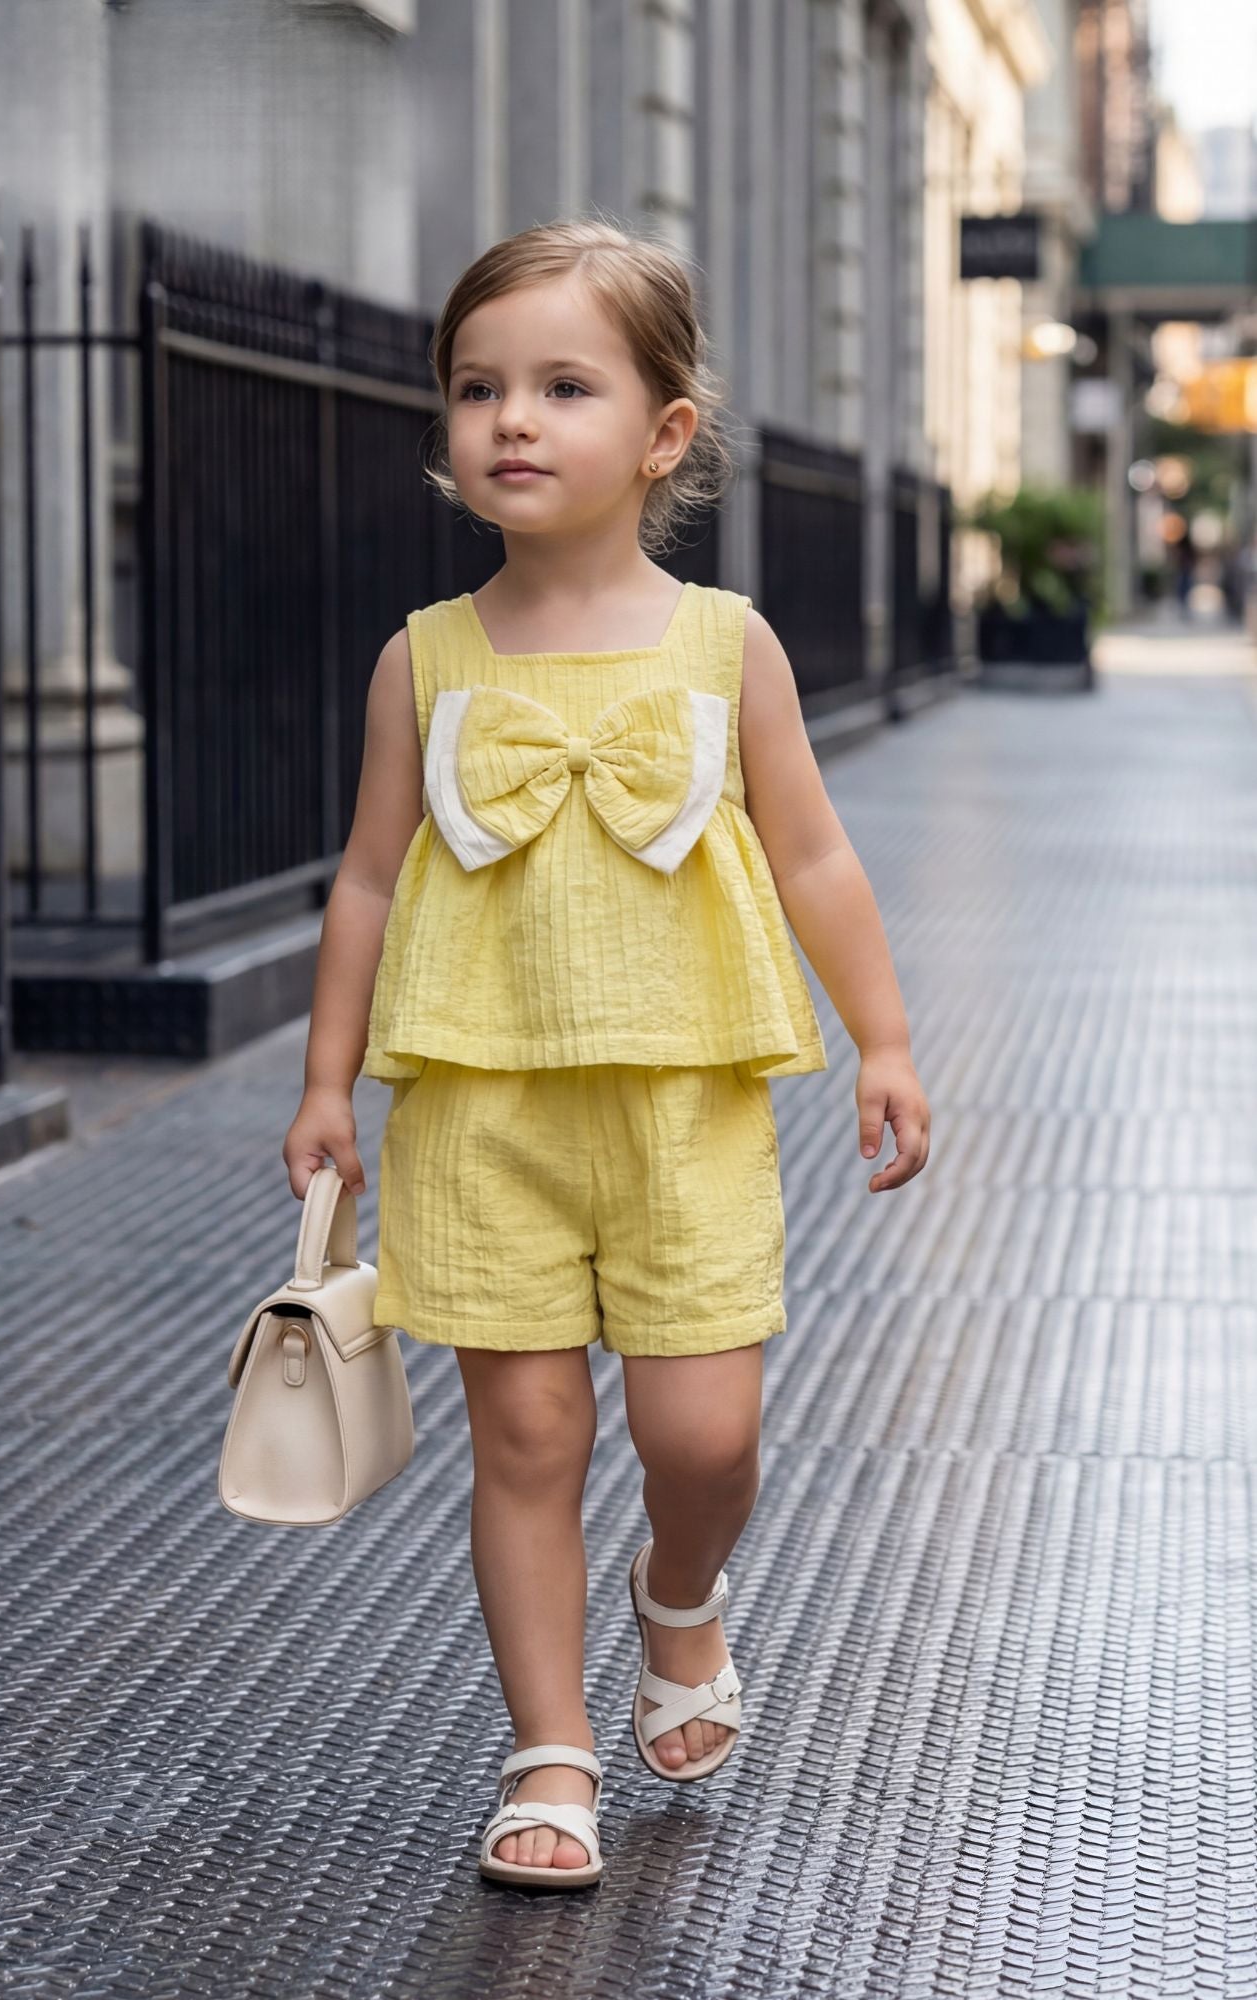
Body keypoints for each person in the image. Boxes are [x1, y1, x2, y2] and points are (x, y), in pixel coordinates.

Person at [282, 216, 930, 1890]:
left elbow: (813, 859)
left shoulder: (727, 649)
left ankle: (680, 1596)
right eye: (478, 387)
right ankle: (547, 1749)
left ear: (660, 435)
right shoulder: (420, 662)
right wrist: (323, 1082)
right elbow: (362, 880)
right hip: (477, 1109)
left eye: (562, 385)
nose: (510, 418)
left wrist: (882, 1039)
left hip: (684, 1105)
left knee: (703, 1439)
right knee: (528, 1438)